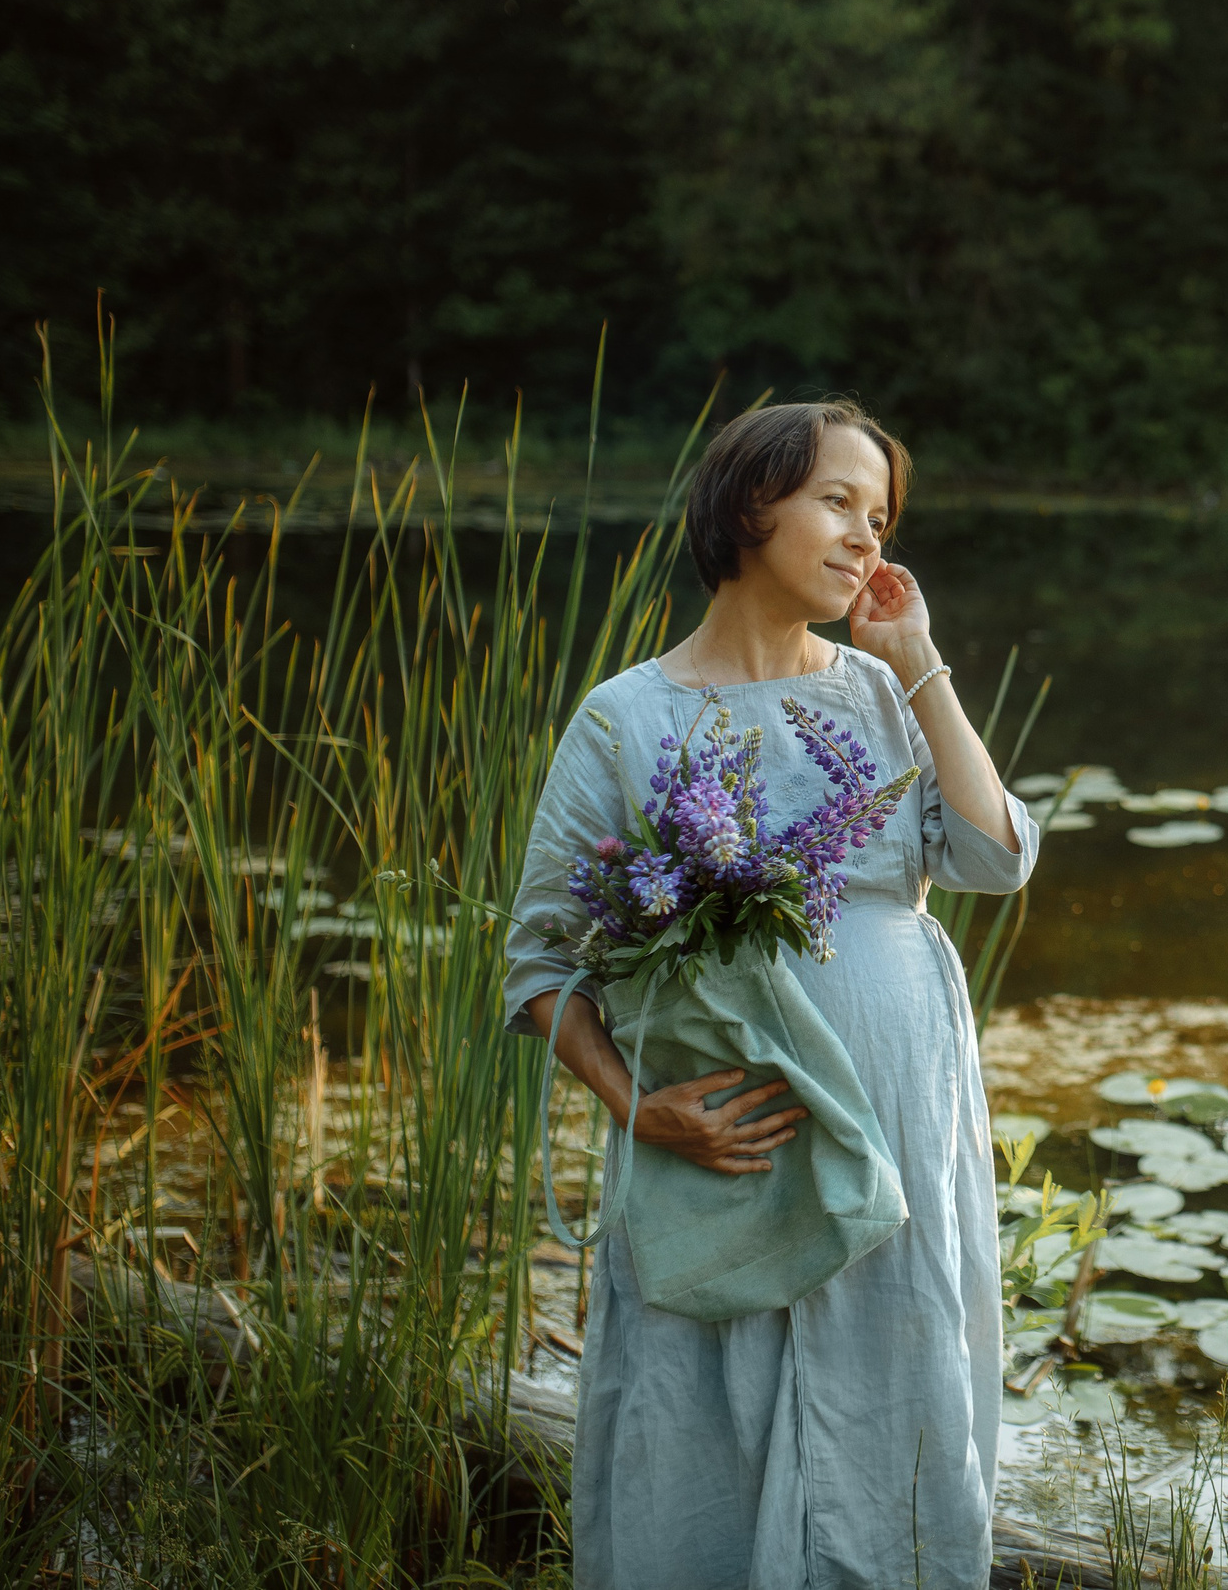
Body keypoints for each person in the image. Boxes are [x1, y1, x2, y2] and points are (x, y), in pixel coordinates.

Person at [502, 400, 1037, 1590]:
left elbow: (996, 858)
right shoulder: (626, 716)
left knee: (894, 1408)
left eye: (881, 515)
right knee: (704, 1413)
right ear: (753, 505)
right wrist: (639, 1108)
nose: (866, 537)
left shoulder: (886, 696)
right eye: (837, 502)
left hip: (897, 1124)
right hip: (726, 1140)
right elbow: (542, 963)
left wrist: (922, 663)